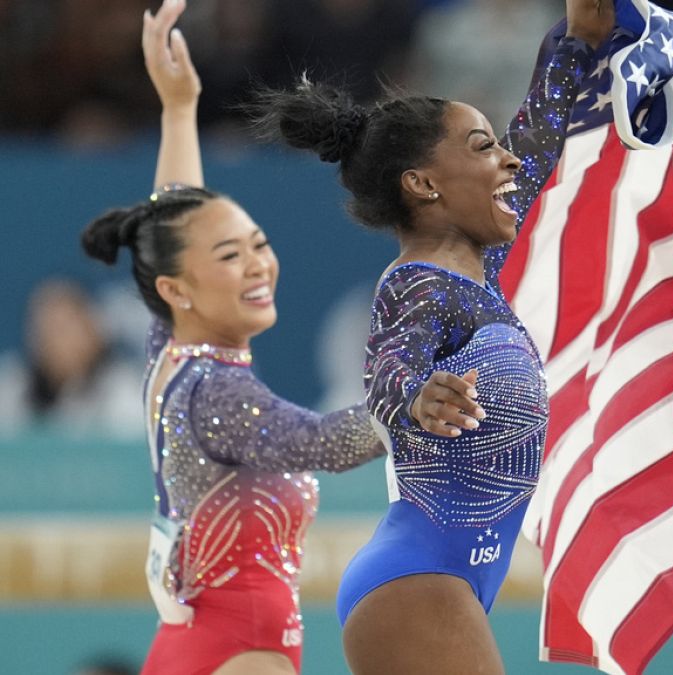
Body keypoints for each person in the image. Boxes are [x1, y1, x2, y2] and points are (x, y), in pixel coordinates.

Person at [252, 1, 613, 671]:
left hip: (450, 580)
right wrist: (414, 398)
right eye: (482, 147)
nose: (506, 160)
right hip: (416, 579)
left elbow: (534, 147)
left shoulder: (476, 276)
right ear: (423, 185)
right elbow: (389, 373)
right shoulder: (419, 285)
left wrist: (575, 45)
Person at [79, 2, 385, 673]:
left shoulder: (177, 354)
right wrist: (416, 403)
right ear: (178, 290)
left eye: (259, 244)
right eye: (231, 255)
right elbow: (324, 441)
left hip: (199, 642)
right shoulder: (217, 389)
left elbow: (173, 230)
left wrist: (178, 109)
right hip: (240, 645)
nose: (258, 264)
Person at [0, 278, 143, 437]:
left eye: (67, 327)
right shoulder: (14, 387)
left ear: (92, 331)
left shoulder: (123, 389)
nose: (58, 340)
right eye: (49, 328)